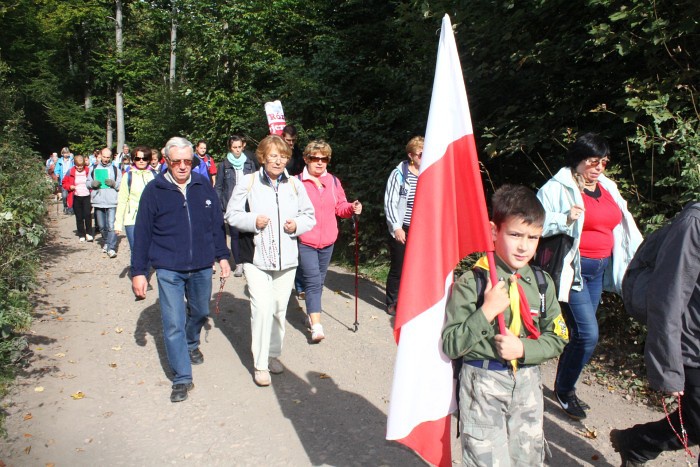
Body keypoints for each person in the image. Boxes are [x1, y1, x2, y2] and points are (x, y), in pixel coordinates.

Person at [442, 185, 569, 466]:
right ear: (493, 231)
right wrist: (485, 312)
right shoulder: (472, 282)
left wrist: (522, 347)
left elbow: (558, 336)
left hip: (527, 385)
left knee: (528, 459)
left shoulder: (541, 282)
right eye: (515, 235)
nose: (524, 246)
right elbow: (451, 344)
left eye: (533, 237)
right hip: (482, 385)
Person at [537, 132, 642, 420]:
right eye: (592, 161)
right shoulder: (557, 188)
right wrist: (564, 218)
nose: (598, 168)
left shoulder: (607, 187)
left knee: (581, 334)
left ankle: (562, 383)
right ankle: (566, 390)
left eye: (603, 162)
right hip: (575, 271)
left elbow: (622, 225)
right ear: (578, 160)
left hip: (600, 271)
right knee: (588, 334)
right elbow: (535, 223)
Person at [131, 136, 231, 403]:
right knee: (173, 321)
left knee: (200, 311)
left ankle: (191, 343)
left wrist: (222, 256)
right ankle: (182, 378)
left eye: (189, 161)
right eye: (178, 161)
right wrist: (138, 271)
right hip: (168, 267)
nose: (184, 166)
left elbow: (216, 226)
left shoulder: (202, 186)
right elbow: (142, 233)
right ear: (166, 161)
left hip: (201, 264)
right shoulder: (154, 190)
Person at [610, 202, 700, 466]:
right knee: (696, 422)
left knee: (695, 422)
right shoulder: (694, 224)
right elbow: (668, 297)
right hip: (691, 340)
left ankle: (637, 444)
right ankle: (637, 443)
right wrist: (668, 370)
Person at [225, 134, 315, 387]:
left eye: (283, 156)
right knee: (262, 308)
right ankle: (260, 364)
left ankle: (274, 354)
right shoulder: (248, 181)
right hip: (256, 257)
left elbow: (309, 216)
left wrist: (297, 224)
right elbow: (231, 214)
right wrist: (253, 220)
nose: (278, 161)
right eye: (273, 156)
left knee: (278, 309)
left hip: (287, 258)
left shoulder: (295, 185)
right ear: (263, 157)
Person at [296, 140, 362, 342]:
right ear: (306, 159)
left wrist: (352, 207)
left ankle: (311, 313)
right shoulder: (296, 182)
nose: (319, 162)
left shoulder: (333, 181)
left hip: (328, 241)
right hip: (305, 240)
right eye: (314, 158)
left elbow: (340, 207)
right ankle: (316, 326)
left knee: (319, 280)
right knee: (314, 281)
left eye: (323, 159)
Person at [383, 136, 423, 316]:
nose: (425, 157)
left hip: (421, 229)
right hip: (402, 226)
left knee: (417, 266)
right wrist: (396, 227)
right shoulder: (399, 174)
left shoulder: (428, 174)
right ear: (411, 155)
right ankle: (392, 301)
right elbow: (390, 202)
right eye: (421, 154)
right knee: (399, 266)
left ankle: (411, 300)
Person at [214, 135, 259, 277]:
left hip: (248, 204)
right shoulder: (224, 165)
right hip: (231, 204)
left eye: (240, 147)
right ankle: (238, 263)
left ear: (243, 146)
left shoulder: (250, 163)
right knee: (234, 234)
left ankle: (248, 262)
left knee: (248, 233)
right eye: (234, 147)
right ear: (230, 148)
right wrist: (221, 207)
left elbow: (256, 183)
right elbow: (219, 187)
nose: (237, 150)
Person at [115, 146, 156, 250]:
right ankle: (137, 267)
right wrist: (118, 223)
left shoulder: (155, 175)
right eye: (138, 158)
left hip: (151, 219)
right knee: (136, 250)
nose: (141, 161)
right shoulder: (128, 176)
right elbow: (122, 201)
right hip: (132, 220)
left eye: (144, 158)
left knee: (149, 250)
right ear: (133, 160)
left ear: (149, 160)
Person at [87, 147, 122, 259]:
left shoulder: (116, 170)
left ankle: (111, 248)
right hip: (98, 200)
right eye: (104, 157)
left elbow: (121, 186)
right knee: (102, 226)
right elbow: (87, 183)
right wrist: (93, 184)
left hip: (112, 201)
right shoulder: (93, 168)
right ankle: (106, 241)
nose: (106, 159)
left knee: (111, 225)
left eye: (108, 157)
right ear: (100, 156)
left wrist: (113, 184)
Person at [61, 155, 93, 242]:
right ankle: (81, 234)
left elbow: (93, 181)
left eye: (81, 166)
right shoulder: (70, 171)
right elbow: (64, 182)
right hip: (75, 196)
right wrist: (69, 186)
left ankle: (89, 233)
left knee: (87, 214)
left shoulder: (89, 171)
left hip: (87, 195)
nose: (79, 168)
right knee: (79, 216)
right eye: (77, 166)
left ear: (84, 165)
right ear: (75, 164)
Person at [55, 147, 74, 215]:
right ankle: (65, 206)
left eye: (67, 152)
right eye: (64, 153)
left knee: (71, 195)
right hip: (63, 180)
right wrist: (57, 173)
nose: (66, 154)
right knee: (65, 195)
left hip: (71, 180)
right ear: (62, 153)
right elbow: (56, 169)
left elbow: (74, 168)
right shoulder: (60, 161)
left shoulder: (71, 160)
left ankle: (71, 208)